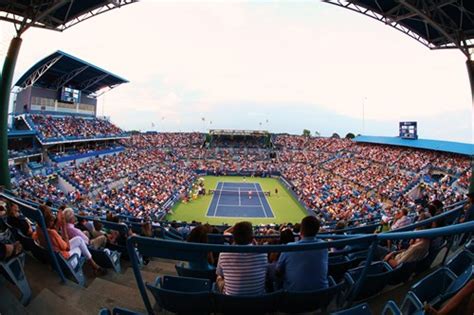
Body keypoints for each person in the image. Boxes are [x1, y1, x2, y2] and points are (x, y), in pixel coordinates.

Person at [33, 208, 105, 275]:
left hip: (54, 257)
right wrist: (63, 226)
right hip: (66, 261)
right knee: (80, 245)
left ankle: (94, 265)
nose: (53, 221)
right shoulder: (52, 233)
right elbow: (67, 248)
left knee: (79, 239)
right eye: (51, 220)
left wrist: (59, 223)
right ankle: (94, 265)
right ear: (48, 221)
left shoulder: (38, 228)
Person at [276, 216, 328, 291]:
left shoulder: (289, 247)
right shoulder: (324, 246)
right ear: (317, 231)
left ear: (301, 231)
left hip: (293, 296)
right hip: (321, 296)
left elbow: (278, 271)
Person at [216, 221, 267, 295]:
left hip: (229, 302)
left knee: (219, 277)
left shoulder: (223, 254)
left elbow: (219, 274)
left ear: (234, 237)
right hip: (257, 303)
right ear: (251, 237)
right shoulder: (263, 254)